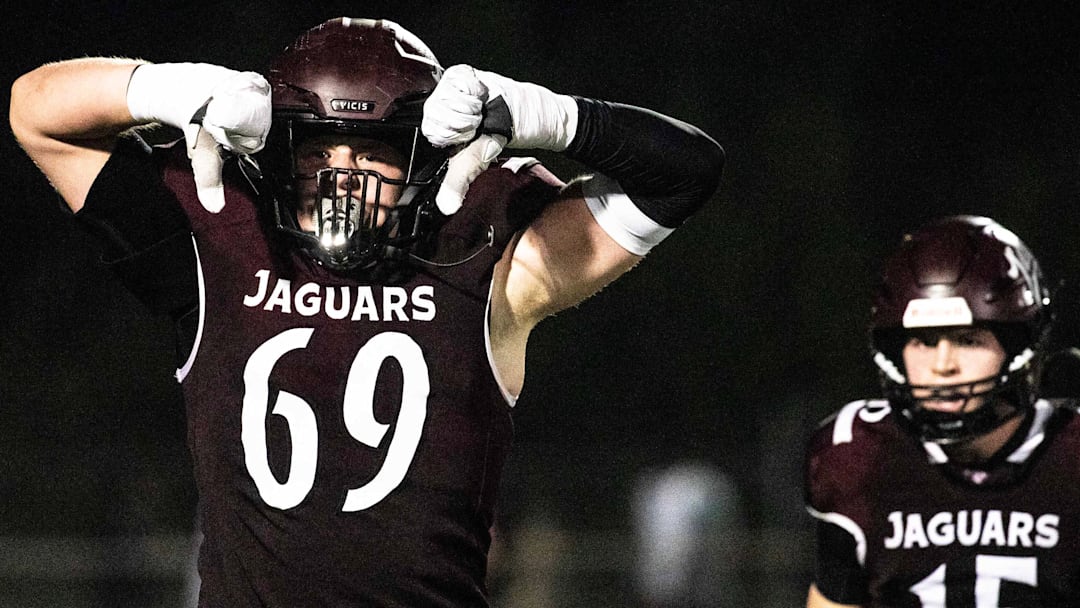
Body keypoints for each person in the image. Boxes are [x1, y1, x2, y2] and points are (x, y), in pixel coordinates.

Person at [9, 16, 723, 607]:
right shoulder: (224, 226)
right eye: (323, 149)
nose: (346, 176)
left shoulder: (478, 245)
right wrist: (165, 87)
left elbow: (686, 172)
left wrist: (548, 115)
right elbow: (34, 111)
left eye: (374, 153)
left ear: (426, 156)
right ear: (279, 152)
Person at [803, 215, 1080, 607]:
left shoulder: (1070, 458)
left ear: (1019, 346)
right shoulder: (861, 459)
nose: (942, 365)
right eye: (923, 342)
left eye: (968, 340)